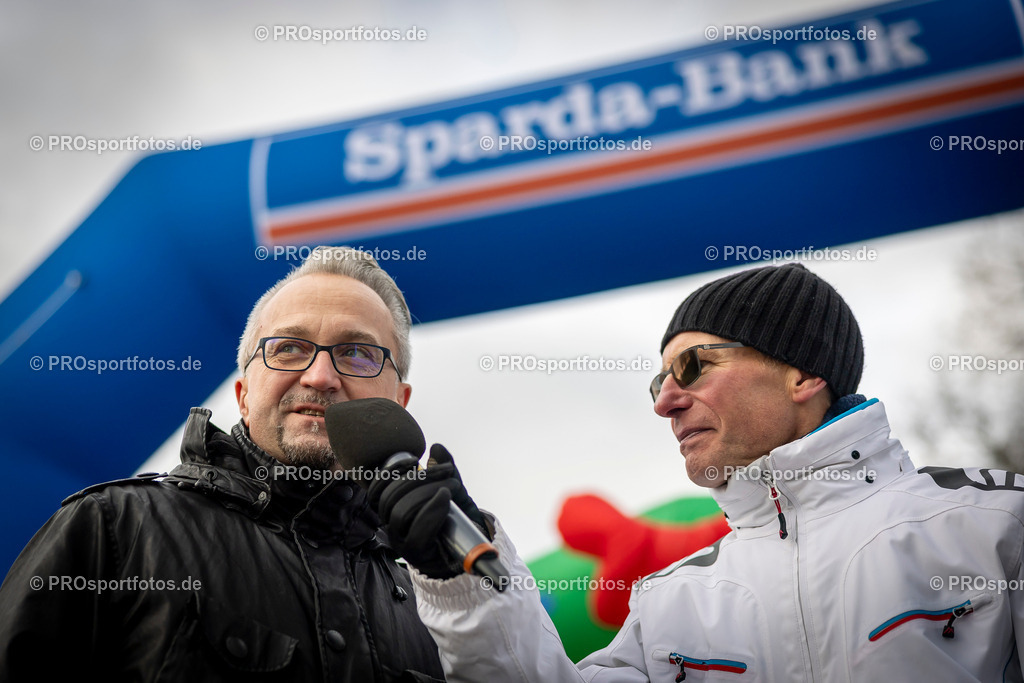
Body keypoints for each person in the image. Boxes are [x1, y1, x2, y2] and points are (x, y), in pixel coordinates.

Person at [374, 263, 1024, 681]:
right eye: (659, 379)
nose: (664, 400)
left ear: (802, 372)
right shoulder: (668, 603)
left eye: (692, 367)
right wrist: (465, 583)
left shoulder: (996, 525)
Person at [0, 247, 446, 682]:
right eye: (290, 347)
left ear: (399, 403)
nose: (320, 377)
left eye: (356, 354)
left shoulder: (442, 603)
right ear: (245, 397)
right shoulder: (113, 528)